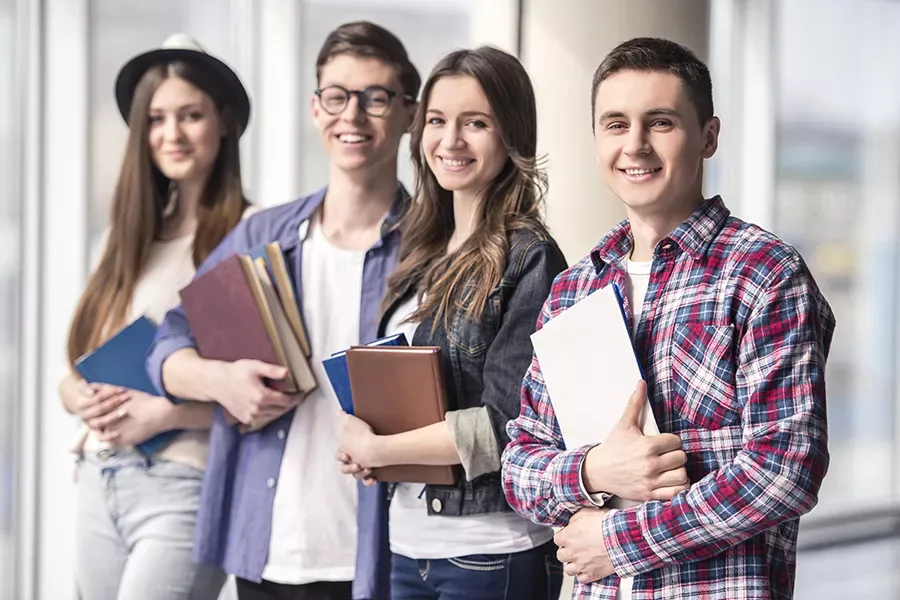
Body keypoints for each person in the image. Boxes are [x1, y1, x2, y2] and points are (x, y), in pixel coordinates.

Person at [501, 37, 835, 600]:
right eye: (615, 124)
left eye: (660, 122)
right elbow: (520, 466)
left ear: (708, 136)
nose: (635, 145)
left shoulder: (764, 274)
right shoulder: (573, 289)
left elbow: (785, 468)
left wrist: (620, 538)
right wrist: (593, 472)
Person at [146, 21, 420, 600]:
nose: (353, 116)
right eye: (337, 97)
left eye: (375, 98)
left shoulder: (433, 247)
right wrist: (220, 381)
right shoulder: (262, 234)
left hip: (379, 553)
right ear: (315, 109)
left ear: (409, 114)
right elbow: (167, 344)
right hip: (265, 547)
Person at [336, 46, 567, 600]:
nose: (451, 140)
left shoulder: (529, 257)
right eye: (437, 121)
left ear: (511, 135)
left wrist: (382, 450)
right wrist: (366, 440)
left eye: (476, 123)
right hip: (408, 542)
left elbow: (507, 424)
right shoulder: (419, 246)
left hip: (491, 550)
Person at [60, 33, 255, 600]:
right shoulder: (121, 241)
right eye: (156, 118)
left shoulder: (251, 234)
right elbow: (72, 374)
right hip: (99, 478)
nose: (171, 134)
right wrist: (81, 399)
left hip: (184, 485)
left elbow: (265, 395)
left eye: (190, 115)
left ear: (222, 123)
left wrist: (162, 415)